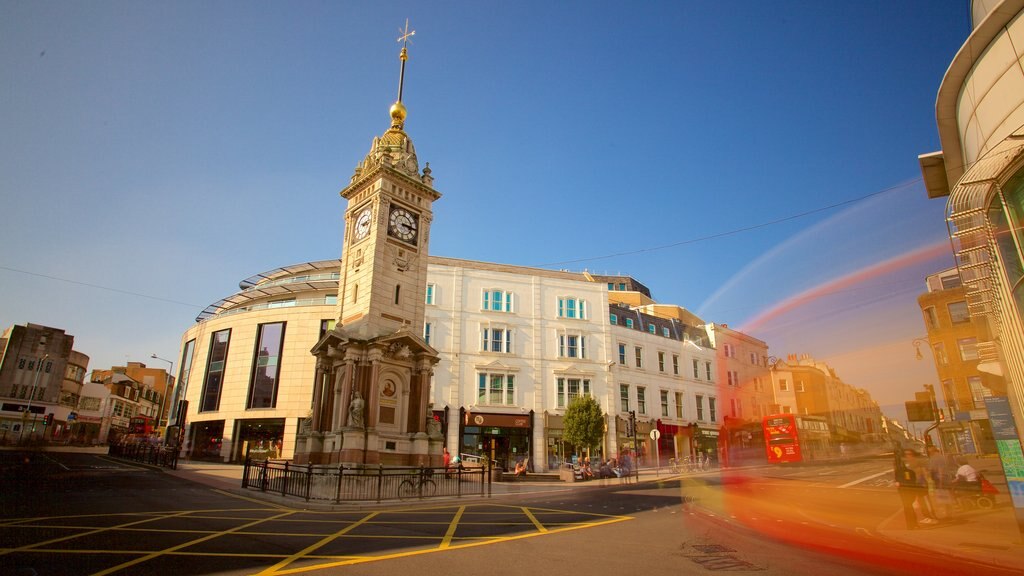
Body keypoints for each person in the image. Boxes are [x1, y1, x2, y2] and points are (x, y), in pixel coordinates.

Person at [895, 448, 935, 529]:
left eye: (909, 454)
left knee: (924, 502)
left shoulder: (916, 462)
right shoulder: (904, 466)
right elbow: (900, 479)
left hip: (919, 485)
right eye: (906, 454)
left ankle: (930, 517)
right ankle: (913, 523)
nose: (907, 456)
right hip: (910, 488)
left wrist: (927, 481)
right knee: (912, 505)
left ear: (913, 454)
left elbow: (924, 471)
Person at [926, 445, 955, 520]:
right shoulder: (935, 457)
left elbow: (940, 469)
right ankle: (948, 514)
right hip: (940, 480)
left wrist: (940, 482)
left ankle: (948, 515)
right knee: (944, 497)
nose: (928, 451)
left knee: (944, 497)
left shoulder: (937, 458)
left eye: (929, 450)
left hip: (941, 480)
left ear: (932, 450)